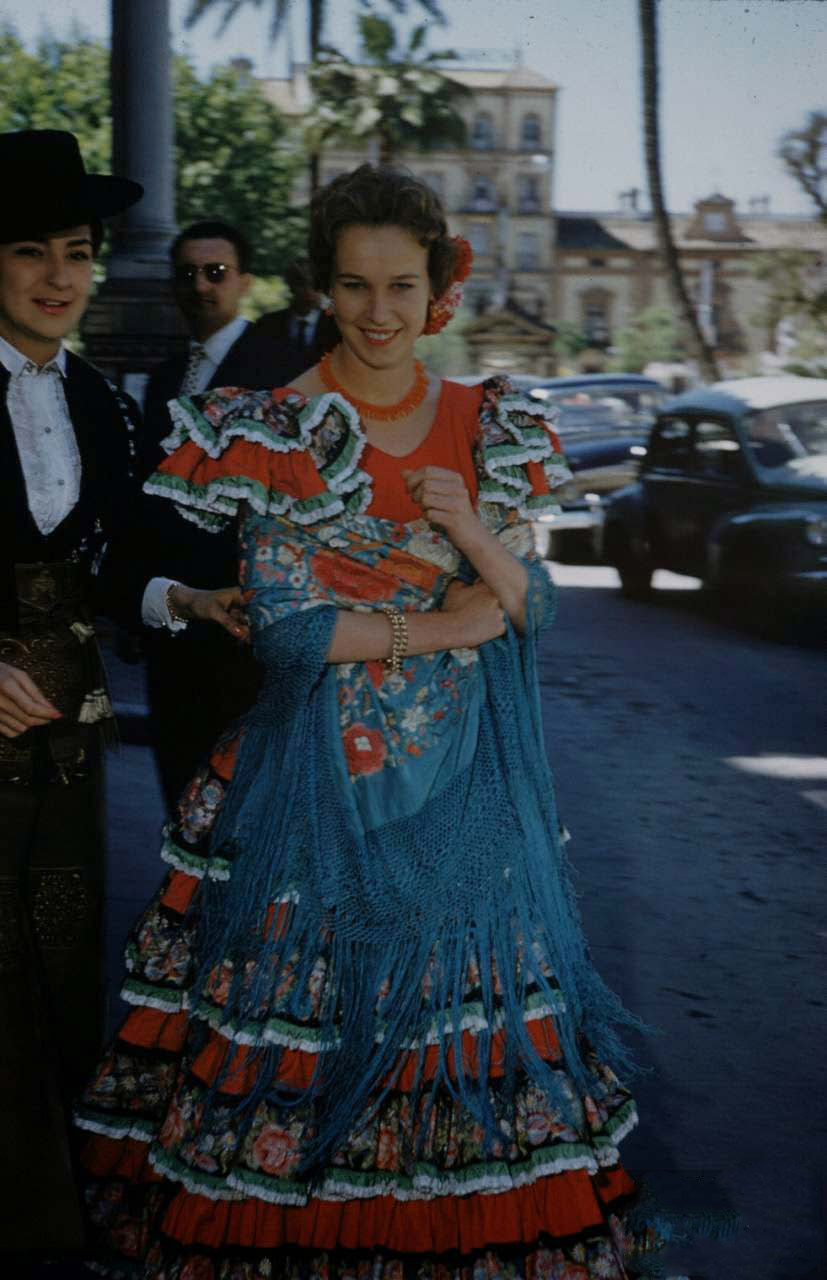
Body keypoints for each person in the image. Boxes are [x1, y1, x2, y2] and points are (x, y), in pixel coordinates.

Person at [76, 165, 648, 1278]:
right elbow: (287, 631)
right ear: (320, 289)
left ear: (439, 286)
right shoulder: (274, 424)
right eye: (351, 286)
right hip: (310, 787)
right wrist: (446, 626)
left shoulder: (490, 421)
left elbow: (530, 608)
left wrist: (475, 537)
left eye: (400, 285)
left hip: (466, 791)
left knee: (460, 1055)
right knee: (311, 1051)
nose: (378, 312)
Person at [0, 127, 145, 1255]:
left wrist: (188, 606)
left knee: (60, 972)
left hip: (67, 743)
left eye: (80, 249)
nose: (61, 276)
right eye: (29, 251)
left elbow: (128, 560)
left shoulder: (102, 401)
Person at [140, 220, 274, 809]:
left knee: (238, 804)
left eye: (215, 272)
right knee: (177, 787)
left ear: (244, 281)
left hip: (246, 626)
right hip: (172, 624)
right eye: (187, 274)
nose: (201, 285)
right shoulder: (167, 375)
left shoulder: (278, 368)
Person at [243, 256, 339, 385]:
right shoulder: (268, 324)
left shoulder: (336, 326)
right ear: (291, 285)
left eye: (315, 284)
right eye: (302, 283)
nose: (309, 291)